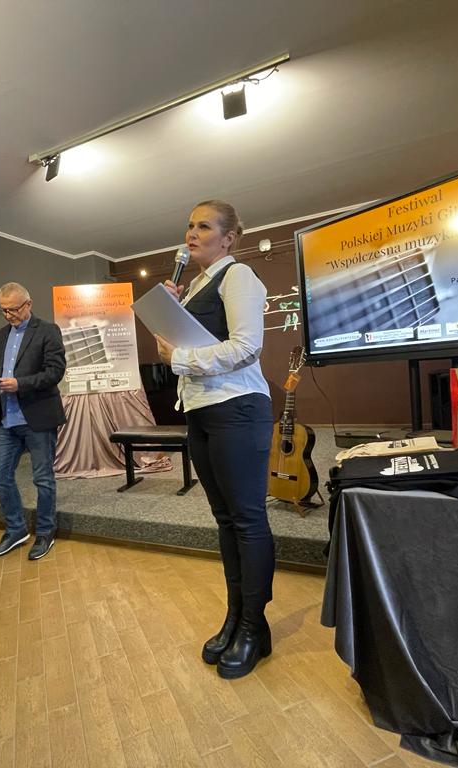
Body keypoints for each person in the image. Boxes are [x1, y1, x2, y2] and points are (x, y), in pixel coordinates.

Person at [155, 200, 274, 679]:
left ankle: (253, 627)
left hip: (237, 408)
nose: (191, 233)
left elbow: (246, 348)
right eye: (189, 225)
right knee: (225, 520)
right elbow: (177, 349)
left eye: (203, 226)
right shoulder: (192, 287)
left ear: (228, 238)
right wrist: (169, 312)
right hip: (201, 410)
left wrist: (180, 357)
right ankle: (237, 617)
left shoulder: (238, 276)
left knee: (247, 520)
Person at [0, 282, 66, 561]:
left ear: (28, 304)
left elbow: (55, 372)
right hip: (7, 418)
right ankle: (16, 529)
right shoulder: (2, 334)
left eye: (13, 309)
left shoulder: (48, 330)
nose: (8, 315)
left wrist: (21, 384)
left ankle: (45, 532)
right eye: (3, 310)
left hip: (38, 417)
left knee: (43, 478)